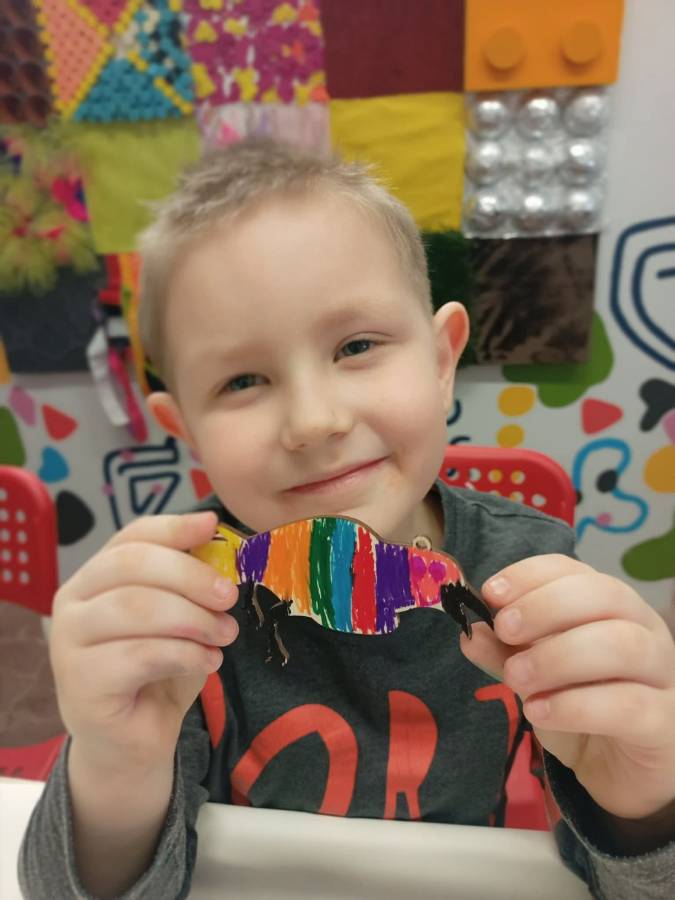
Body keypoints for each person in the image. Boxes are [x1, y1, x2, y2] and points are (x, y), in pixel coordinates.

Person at [18, 139, 675, 899]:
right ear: (187, 430)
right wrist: (115, 767)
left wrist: (641, 802)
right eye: (242, 381)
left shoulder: (522, 569)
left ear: (440, 362)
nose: (314, 420)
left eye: (356, 345)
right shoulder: (187, 607)